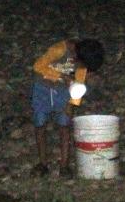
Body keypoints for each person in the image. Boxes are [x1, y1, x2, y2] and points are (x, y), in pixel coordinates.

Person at [30, 37, 105, 176]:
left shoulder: (82, 63)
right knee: (40, 124)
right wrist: (62, 77)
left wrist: (72, 103)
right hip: (42, 88)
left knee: (65, 125)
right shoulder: (59, 50)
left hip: (63, 91)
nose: (82, 68)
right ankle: (42, 163)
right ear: (76, 56)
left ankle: (64, 166)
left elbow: (79, 83)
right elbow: (38, 66)